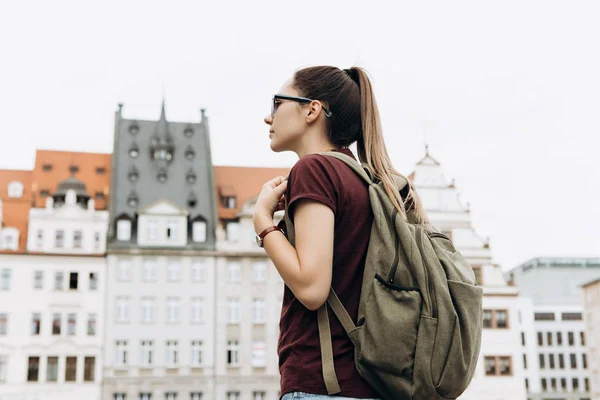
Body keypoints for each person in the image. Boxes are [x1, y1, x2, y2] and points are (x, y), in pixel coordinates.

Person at [252, 66, 430, 400]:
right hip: (367, 384)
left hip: (322, 384)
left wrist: (262, 220)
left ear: (311, 109)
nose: (268, 117)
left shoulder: (314, 169)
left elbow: (311, 287)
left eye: (277, 103)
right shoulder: (362, 179)